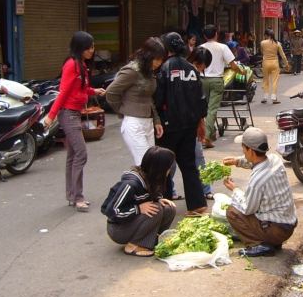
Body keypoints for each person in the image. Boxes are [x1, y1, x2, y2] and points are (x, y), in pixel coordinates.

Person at [44, 31, 106, 212]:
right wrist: (51, 115)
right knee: (81, 154)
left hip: (75, 112)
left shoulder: (81, 66)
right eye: (90, 47)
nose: (92, 50)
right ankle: (78, 196)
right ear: (81, 48)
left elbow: (82, 89)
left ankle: (72, 195)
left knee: (72, 155)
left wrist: (95, 91)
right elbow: (63, 92)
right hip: (68, 114)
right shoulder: (71, 65)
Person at [154, 32, 209, 216]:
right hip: (189, 125)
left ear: (166, 48)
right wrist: (200, 122)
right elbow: (201, 99)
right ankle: (197, 205)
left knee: (165, 166)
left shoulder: (163, 69)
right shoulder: (192, 70)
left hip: (169, 126)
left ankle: (166, 205)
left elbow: (158, 98)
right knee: (189, 164)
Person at [222, 127, 297, 257]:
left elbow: (248, 209)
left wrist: (234, 189)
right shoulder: (275, 159)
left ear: (250, 150)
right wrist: (237, 161)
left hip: (277, 229)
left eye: (243, 148)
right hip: (288, 224)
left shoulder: (258, 180)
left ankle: (258, 245)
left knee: (232, 212)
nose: (243, 151)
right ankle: (271, 239)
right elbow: (256, 161)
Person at [103, 146, 177, 257]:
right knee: (156, 209)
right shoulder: (130, 184)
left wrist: (159, 199)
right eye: (168, 166)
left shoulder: (152, 178)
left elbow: (152, 197)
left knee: (169, 208)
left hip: (133, 223)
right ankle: (133, 245)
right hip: (118, 230)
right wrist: (138, 209)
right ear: (160, 168)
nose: (170, 169)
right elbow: (112, 211)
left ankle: (153, 240)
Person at [105, 37, 166, 167]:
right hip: (134, 123)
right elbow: (111, 92)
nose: (159, 63)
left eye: (161, 60)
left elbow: (149, 98)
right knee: (145, 165)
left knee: (152, 165)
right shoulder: (132, 71)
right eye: (157, 59)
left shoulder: (149, 71)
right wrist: (123, 109)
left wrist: (156, 120)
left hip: (148, 122)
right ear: (148, 56)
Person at [200, 25, 241, 149]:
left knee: (205, 108)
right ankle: (206, 137)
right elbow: (233, 65)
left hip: (202, 80)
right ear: (216, 34)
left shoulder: (200, 47)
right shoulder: (222, 47)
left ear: (204, 36)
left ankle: (210, 134)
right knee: (212, 109)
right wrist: (241, 72)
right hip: (216, 80)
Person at [188, 46, 215, 200]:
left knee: (198, 156)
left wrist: (201, 124)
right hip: (178, 124)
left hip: (191, 123)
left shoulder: (198, 78)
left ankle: (206, 189)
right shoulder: (184, 74)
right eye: (200, 66)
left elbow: (200, 104)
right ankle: (168, 190)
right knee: (170, 160)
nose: (200, 69)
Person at [259, 29, 288, 105]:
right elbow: (283, 55)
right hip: (275, 63)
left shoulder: (262, 43)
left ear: (266, 35)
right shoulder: (277, 43)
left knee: (266, 80)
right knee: (275, 81)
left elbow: (262, 52)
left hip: (265, 63)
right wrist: (286, 64)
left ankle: (265, 97)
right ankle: (274, 97)